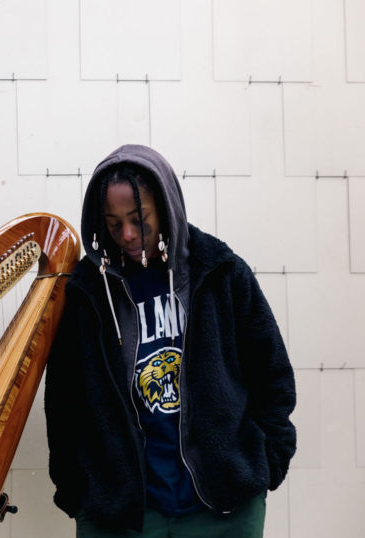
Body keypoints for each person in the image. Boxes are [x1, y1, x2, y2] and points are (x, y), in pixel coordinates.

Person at [44, 144, 297, 537]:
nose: (127, 235)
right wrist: (74, 489)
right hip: (123, 514)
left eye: (138, 219)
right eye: (113, 223)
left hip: (221, 508)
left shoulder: (219, 272)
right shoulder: (87, 292)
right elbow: (63, 401)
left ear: (165, 205)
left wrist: (267, 460)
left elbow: (272, 372)